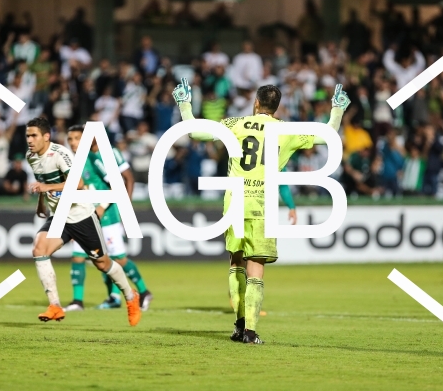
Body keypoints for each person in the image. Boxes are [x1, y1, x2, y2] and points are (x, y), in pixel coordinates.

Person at [172, 78, 350, 344]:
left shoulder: (235, 124)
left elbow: (196, 133)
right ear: (276, 108)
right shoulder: (287, 130)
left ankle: (238, 325)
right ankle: (251, 332)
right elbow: (328, 136)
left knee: (236, 262)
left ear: (256, 103)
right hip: (262, 203)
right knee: (256, 266)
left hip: (234, 201)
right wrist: (337, 110)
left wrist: (184, 104)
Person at [25, 117, 141, 325]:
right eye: (27, 135)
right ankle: (55, 306)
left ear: (46, 137)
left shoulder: (60, 154)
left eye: (33, 135)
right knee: (39, 249)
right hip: (59, 216)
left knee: (102, 263)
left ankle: (131, 297)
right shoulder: (31, 157)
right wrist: (42, 202)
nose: (29, 140)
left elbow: (77, 183)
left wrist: (46, 188)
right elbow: (45, 183)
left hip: (81, 215)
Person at [64, 125, 153, 312]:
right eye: (70, 139)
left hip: (106, 215)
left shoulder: (97, 157)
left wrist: (106, 207)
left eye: (77, 139)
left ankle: (143, 292)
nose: (73, 143)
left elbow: (120, 182)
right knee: (79, 256)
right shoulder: (76, 159)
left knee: (117, 258)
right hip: (85, 216)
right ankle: (78, 301)